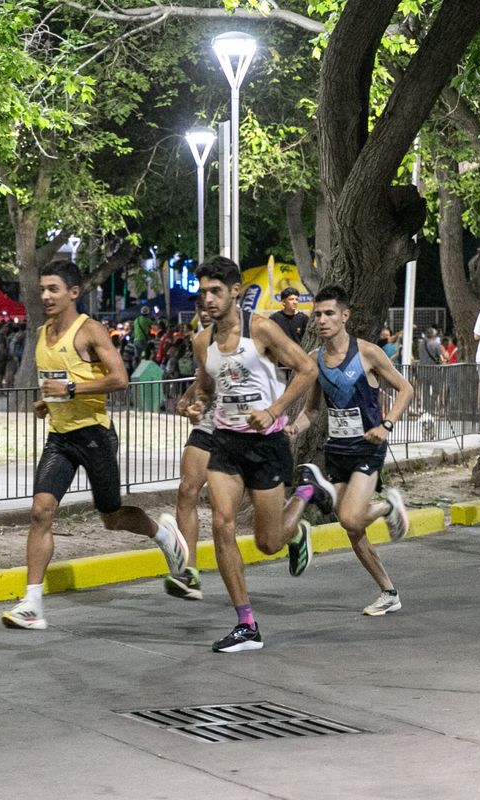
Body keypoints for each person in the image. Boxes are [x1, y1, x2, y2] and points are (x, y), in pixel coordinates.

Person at [2, 260, 189, 631]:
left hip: (95, 435)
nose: (46, 296)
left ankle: (164, 535)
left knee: (112, 516)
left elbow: (120, 379)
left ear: (74, 292)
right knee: (41, 510)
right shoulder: (41, 334)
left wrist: (70, 389)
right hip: (60, 438)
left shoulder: (90, 331)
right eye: (42, 289)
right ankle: (31, 604)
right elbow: (56, 386)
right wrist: (48, 402)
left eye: (53, 289)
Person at [184, 257, 327, 654]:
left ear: (235, 292)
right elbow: (207, 387)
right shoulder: (202, 342)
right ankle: (246, 624)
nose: (209, 299)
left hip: (266, 444)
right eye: (204, 292)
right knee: (222, 524)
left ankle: (304, 496)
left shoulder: (261, 328)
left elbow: (306, 370)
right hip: (225, 443)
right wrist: (197, 404)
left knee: (268, 543)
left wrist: (273, 411)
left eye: (216, 291)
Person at [287, 285, 413, 615]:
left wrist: (386, 425)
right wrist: (292, 427)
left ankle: (387, 507)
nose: (322, 320)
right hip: (337, 451)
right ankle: (389, 592)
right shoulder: (314, 361)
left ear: (345, 316)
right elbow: (312, 410)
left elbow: (405, 388)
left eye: (329, 313)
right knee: (352, 529)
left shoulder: (368, 352)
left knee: (349, 516)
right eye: (317, 314)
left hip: (368, 448)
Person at [164, 299, 216, 602]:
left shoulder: (253, 334)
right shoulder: (201, 341)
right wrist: (189, 400)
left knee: (266, 530)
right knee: (187, 490)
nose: (206, 312)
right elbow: (205, 380)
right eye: (200, 308)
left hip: (242, 427)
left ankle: (298, 507)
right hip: (209, 424)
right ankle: (189, 572)